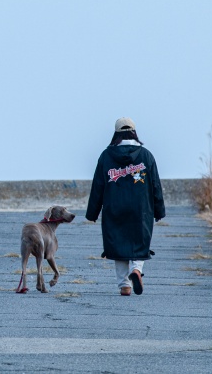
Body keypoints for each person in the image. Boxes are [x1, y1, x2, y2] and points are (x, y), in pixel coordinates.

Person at [85, 117, 165, 296]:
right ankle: (136, 269)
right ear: (134, 133)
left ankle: (124, 285)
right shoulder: (146, 155)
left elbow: (98, 186)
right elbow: (155, 185)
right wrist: (159, 210)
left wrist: (92, 213)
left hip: (115, 208)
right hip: (141, 209)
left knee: (118, 244)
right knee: (139, 241)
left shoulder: (106, 156)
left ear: (116, 133)